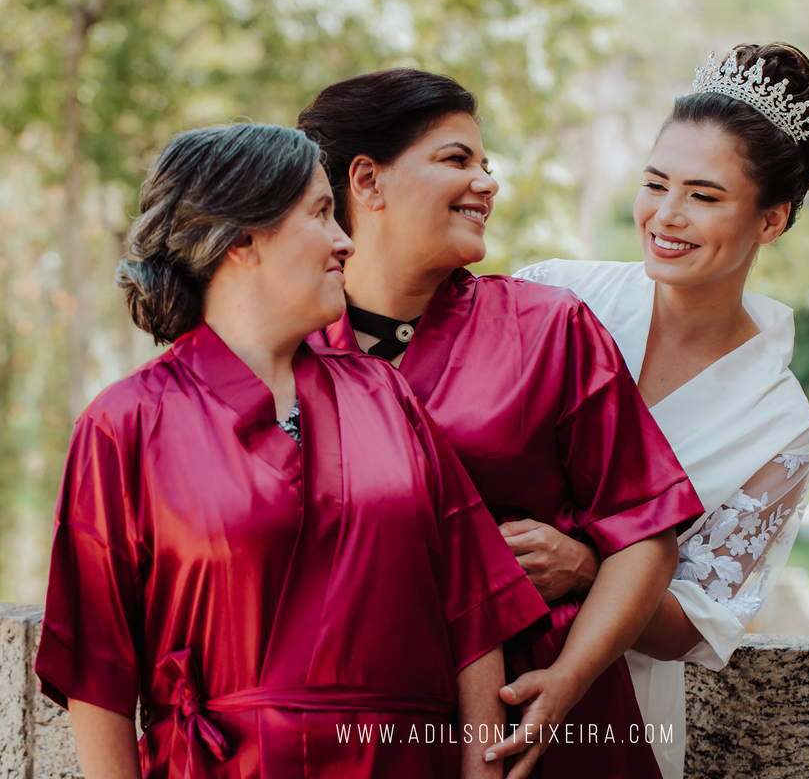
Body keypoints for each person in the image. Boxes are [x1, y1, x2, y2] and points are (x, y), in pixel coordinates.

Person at [34, 123, 550, 779]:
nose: (345, 240)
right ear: (242, 239)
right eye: (322, 213)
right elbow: (97, 679)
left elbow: (474, 614)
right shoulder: (126, 425)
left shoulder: (387, 397)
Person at [299, 69, 704, 779]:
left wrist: (569, 680)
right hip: (352, 718)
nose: (487, 184)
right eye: (457, 160)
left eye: (486, 165)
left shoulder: (549, 328)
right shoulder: (285, 347)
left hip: (538, 718)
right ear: (366, 180)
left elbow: (648, 535)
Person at [514, 43, 809, 779]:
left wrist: (589, 569)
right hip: (453, 661)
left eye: (704, 195)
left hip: (612, 715)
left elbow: (690, 625)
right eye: (656, 183)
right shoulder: (552, 296)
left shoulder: (778, 427)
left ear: (771, 221)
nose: (666, 215)